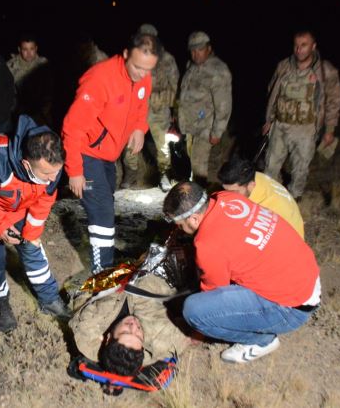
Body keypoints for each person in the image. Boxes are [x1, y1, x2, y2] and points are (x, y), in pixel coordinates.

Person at [162, 182, 321, 363]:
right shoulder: (227, 198)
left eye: (180, 225)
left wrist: (198, 331)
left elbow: (214, 296)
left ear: (194, 219)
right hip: (307, 274)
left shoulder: (208, 245)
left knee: (194, 310)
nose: (180, 229)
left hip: (293, 308)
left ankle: (262, 342)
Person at [0, 115, 71, 333]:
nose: (53, 178)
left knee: (32, 247)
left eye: (56, 172)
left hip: (18, 207)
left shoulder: (52, 163)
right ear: (26, 164)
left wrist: (32, 231)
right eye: (46, 174)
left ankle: (49, 298)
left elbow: (45, 198)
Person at [62, 32, 162, 273]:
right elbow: (72, 127)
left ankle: (105, 255)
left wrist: (139, 127)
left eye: (148, 69)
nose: (141, 74)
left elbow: (141, 102)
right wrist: (75, 170)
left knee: (108, 201)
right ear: (126, 54)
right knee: (102, 210)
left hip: (108, 155)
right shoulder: (99, 79)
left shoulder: (144, 76)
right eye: (137, 67)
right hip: (88, 153)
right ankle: (102, 272)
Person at [262, 30, 340, 200]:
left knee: (300, 169)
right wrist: (269, 120)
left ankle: (294, 199)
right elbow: (272, 92)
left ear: (313, 47)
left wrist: (329, 129)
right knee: (270, 165)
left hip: (306, 129)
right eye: (296, 45)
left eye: (304, 45)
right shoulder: (283, 66)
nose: (299, 49)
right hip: (280, 124)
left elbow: (334, 101)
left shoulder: (325, 71)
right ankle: (269, 198)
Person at [70, 270, 190, 378]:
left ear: (107, 338)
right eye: (138, 335)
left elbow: (83, 299)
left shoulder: (89, 328)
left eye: (125, 332)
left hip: (116, 273)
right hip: (156, 276)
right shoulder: (162, 341)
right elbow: (192, 334)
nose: (133, 326)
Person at [120, 24, 180, 191]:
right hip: (136, 109)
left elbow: (174, 90)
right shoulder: (133, 57)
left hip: (158, 111)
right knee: (131, 143)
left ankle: (164, 175)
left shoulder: (167, 60)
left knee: (162, 145)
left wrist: (152, 98)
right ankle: (131, 175)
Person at [176, 31, 232, 185]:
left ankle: (199, 200)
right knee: (188, 162)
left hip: (205, 127)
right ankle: (190, 191)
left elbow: (224, 104)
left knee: (198, 164)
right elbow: (184, 95)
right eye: (193, 50)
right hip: (188, 126)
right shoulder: (191, 67)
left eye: (200, 49)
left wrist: (217, 131)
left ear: (209, 48)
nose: (196, 53)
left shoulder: (218, 70)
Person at [217, 156, 304, 238]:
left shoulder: (267, 205)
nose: (228, 195)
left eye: (234, 192)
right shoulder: (253, 177)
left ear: (251, 185)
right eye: (225, 190)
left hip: (287, 239)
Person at [6, 33, 53, 126]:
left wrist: (45, 110)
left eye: (31, 49)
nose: (29, 53)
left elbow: (50, 90)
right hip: (19, 115)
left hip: (41, 115)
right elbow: (7, 93)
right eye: (25, 49)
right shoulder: (11, 66)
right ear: (19, 49)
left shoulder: (44, 64)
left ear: (36, 48)